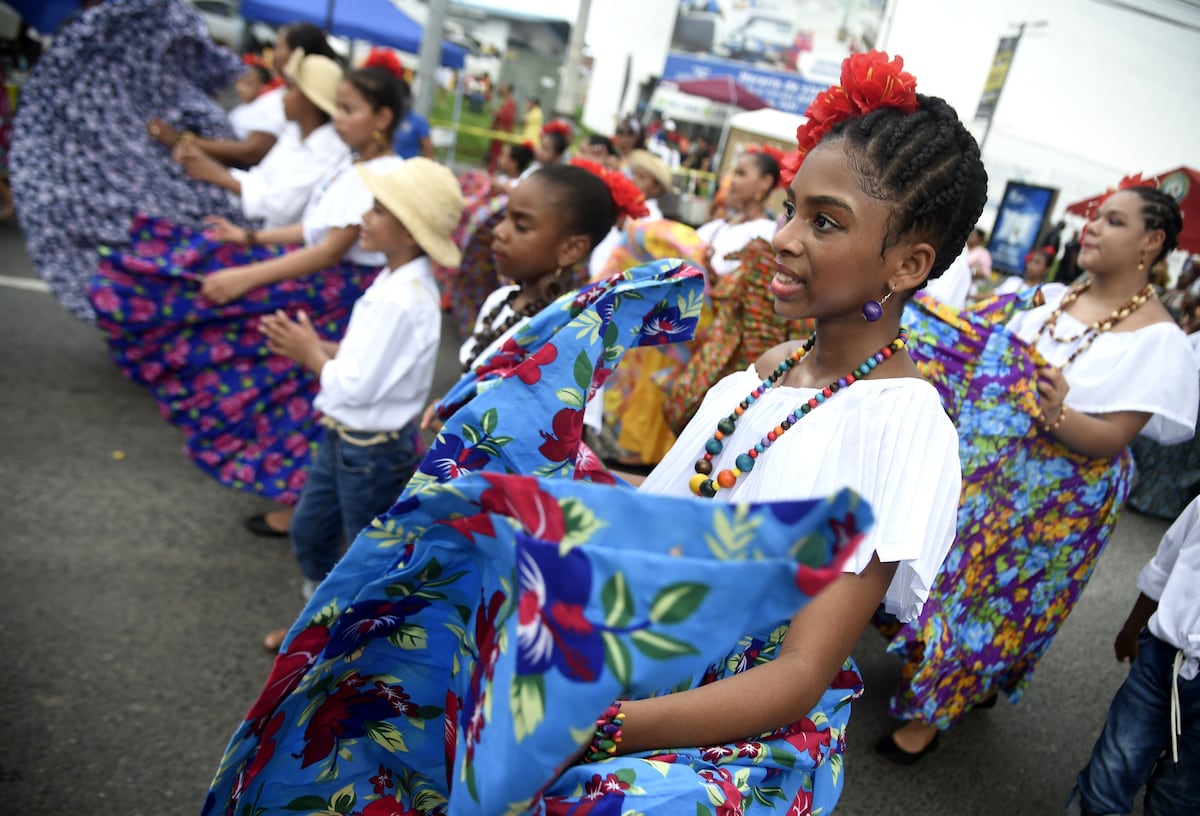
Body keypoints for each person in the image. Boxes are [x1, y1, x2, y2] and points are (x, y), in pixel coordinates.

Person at [204, 50, 981, 815]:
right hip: (641, 658)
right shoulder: (774, 367)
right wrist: (543, 470)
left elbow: (800, 672)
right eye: (790, 208)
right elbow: (692, 512)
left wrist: (602, 727)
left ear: (908, 264)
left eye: (825, 221)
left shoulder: (905, 427)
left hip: (723, 733)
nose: (783, 237)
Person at [878, 179, 1198, 763]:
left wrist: (1054, 409)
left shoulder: (1161, 342)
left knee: (991, 601)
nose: (1092, 228)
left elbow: (1112, 438)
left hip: (1056, 504)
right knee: (941, 574)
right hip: (984, 469)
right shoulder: (1048, 298)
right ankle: (947, 673)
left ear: (1152, 242)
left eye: (1114, 221)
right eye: (1095, 216)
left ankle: (933, 709)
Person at [90, 60, 411, 522]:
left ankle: (309, 507)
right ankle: (311, 502)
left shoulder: (377, 173)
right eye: (337, 107)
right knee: (288, 389)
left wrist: (246, 275)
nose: (338, 118)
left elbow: (328, 251)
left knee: (296, 393)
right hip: (322, 287)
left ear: (382, 118)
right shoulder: (356, 162)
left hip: (332, 296)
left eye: (349, 109)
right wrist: (248, 240)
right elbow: (316, 229)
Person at [257, 158, 464, 651]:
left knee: (364, 555)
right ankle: (324, 621)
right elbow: (363, 364)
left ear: (410, 233)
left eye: (378, 210)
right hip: (348, 442)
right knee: (312, 531)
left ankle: (338, 641)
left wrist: (309, 352)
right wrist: (316, 346)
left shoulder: (401, 297)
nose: (364, 219)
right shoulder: (395, 283)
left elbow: (354, 387)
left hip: (371, 453)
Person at [9, 0, 243, 321]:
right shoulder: (112, 67)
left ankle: (145, 317)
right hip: (155, 187)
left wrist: (179, 139)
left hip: (181, 193)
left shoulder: (139, 51)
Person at [1065, 494, 1200, 816]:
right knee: (1111, 772)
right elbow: (1165, 564)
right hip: (1163, 657)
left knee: (1179, 798)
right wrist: (1132, 628)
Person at [172, 48, 349, 232]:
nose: (283, 97)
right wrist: (205, 167)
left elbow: (282, 208)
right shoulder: (294, 132)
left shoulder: (330, 150)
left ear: (309, 102)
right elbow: (260, 178)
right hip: (243, 212)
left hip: (261, 231)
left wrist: (219, 175)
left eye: (291, 89)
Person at [147, 22, 339, 170]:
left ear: (295, 53)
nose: (274, 54)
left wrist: (179, 138)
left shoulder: (295, 104)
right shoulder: (284, 94)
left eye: (280, 47)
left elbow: (250, 152)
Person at [696, 148, 780, 277]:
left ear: (765, 182)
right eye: (733, 173)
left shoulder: (767, 234)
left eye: (741, 174)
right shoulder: (718, 226)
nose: (732, 181)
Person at [225, 57, 274, 141]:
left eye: (248, 83)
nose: (241, 88)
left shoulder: (267, 110)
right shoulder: (236, 112)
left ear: (263, 86)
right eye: (239, 81)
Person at [993, 243, 1058, 295]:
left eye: (1037, 263)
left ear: (1046, 269)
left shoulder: (1042, 293)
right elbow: (994, 295)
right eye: (1030, 260)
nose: (1031, 265)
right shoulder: (1013, 282)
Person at [486, 83, 516, 173]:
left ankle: (492, 172)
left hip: (501, 132)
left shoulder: (510, 103)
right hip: (498, 131)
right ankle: (491, 170)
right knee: (494, 152)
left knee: (497, 153)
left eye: (504, 88)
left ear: (508, 90)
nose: (502, 89)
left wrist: (497, 113)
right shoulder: (505, 101)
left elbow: (507, 117)